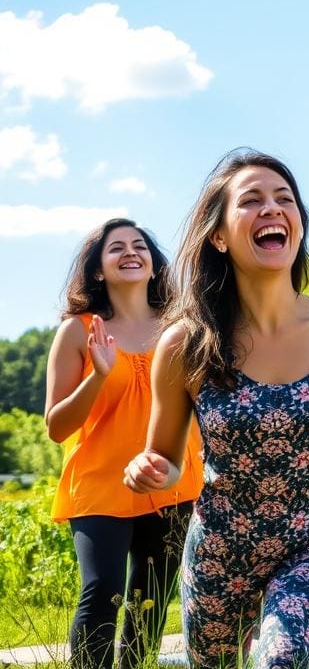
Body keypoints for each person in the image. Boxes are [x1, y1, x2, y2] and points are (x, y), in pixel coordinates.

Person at [123, 150, 309, 668]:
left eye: (285, 199)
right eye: (252, 200)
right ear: (219, 235)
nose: (272, 209)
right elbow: (165, 454)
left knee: (278, 661)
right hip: (220, 549)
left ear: (299, 225)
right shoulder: (185, 343)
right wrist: (150, 469)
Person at [45, 218, 203, 669]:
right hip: (100, 486)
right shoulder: (78, 331)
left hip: (172, 483)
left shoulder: (183, 328)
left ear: (154, 265)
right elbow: (56, 427)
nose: (130, 252)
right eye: (116, 248)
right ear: (98, 269)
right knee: (102, 591)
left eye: (139, 246)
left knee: (149, 604)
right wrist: (98, 374)